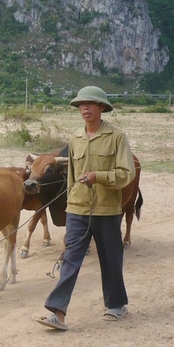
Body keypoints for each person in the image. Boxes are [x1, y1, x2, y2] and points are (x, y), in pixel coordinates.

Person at [36, 85, 135, 331]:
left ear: (102, 107)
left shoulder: (117, 137)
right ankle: (57, 313)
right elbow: (71, 178)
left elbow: (126, 174)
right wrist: (69, 207)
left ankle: (116, 306)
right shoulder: (75, 139)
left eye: (90, 104)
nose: (85, 108)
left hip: (107, 210)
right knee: (70, 259)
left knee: (110, 259)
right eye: (81, 105)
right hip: (78, 210)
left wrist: (98, 176)